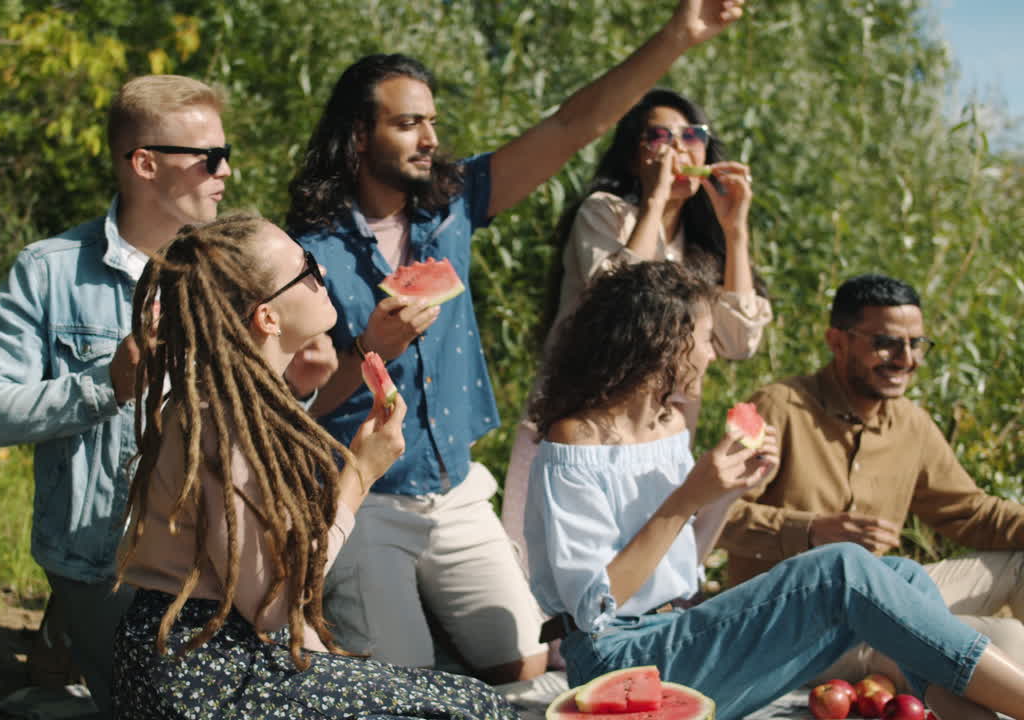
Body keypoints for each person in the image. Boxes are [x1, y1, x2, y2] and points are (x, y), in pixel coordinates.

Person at [286, 0, 749, 685]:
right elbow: (298, 407)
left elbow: (572, 123)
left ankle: (410, 619)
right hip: (366, 499)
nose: (428, 139)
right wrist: (368, 351)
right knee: (405, 683)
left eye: (432, 123)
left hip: (458, 490)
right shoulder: (305, 254)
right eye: (408, 123)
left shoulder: (453, 207)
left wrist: (679, 34)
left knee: (527, 662)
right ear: (359, 136)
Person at [525, 260, 1024, 720]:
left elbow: (685, 566)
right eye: (703, 338)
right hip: (618, 657)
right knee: (844, 567)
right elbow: (591, 609)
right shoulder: (574, 438)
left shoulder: (669, 425)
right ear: (661, 342)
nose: (712, 352)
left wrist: (725, 492)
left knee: (904, 576)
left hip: (679, 634)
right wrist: (689, 497)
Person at [111, 213, 518, 720]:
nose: (320, 271)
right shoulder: (227, 421)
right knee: (475, 708)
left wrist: (337, 667)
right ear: (268, 318)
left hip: (204, 655)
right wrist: (359, 477)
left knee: (469, 700)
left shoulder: (237, 402)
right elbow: (275, 606)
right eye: (305, 267)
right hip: (204, 676)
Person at [0, 75, 242, 715]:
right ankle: (69, 650)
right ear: (145, 163)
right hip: (104, 557)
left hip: (219, 553)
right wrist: (106, 386)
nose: (228, 172)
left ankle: (67, 640)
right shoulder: (49, 270)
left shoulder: (238, 271)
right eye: (211, 158)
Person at [501, 87, 772, 573]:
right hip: (578, 425)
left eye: (692, 135)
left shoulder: (705, 249)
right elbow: (617, 300)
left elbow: (740, 341)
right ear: (634, 154)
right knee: (551, 577)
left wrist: (736, 231)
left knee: (643, 570)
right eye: (659, 136)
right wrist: (653, 201)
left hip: (661, 432)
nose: (678, 149)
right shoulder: (604, 213)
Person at [720, 273, 1024, 684]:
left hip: (883, 606)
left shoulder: (911, 424)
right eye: (886, 343)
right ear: (837, 341)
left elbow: (972, 514)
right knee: (1006, 643)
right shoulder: (780, 408)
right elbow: (713, 519)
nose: (906, 359)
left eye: (916, 344)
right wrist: (810, 531)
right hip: (793, 632)